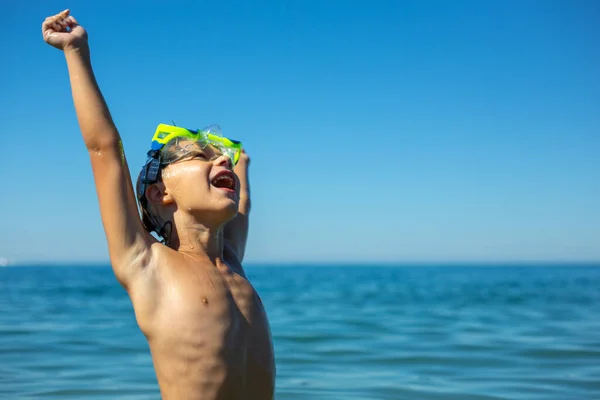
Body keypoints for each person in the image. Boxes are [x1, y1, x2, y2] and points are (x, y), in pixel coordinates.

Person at [42, 9, 275, 400]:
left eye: (224, 160)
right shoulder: (147, 264)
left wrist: (243, 165)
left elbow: (244, 207)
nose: (220, 161)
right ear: (159, 193)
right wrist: (75, 52)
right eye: (200, 157)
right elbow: (104, 148)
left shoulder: (232, 259)